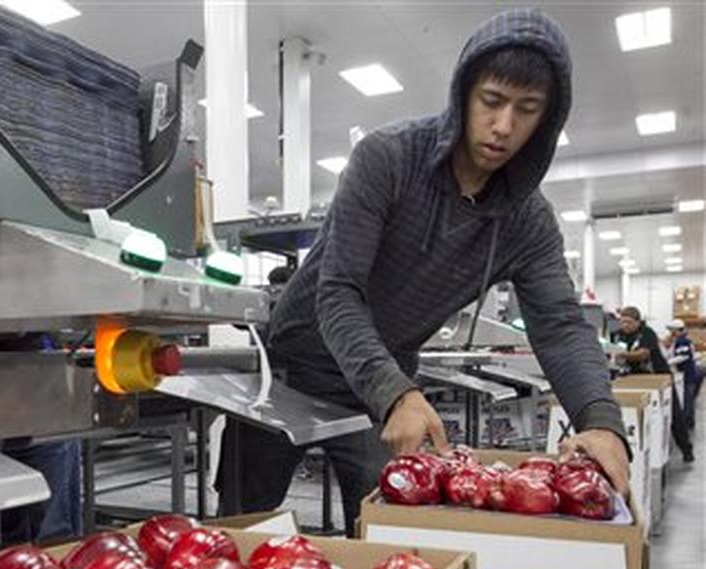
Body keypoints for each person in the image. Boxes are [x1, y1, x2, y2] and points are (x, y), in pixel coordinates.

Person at [216, 9, 630, 535]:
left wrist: (601, 420)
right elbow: (339, 292)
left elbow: (561, 326)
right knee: (241, 532)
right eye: (492, 101)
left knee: (388, 536)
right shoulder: (388, 159)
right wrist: (397, 392)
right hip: (290, 374)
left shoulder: (526, 220)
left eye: (527, 110)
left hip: (375, 392)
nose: (504, 126)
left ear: (546, 120)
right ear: (463, 94)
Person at [618, 307, 693, 462]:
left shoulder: (647, 333)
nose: (625, 325)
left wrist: (620, 354)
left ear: (638, 322)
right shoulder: (621, 335)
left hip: (659, 378)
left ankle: (686, 450)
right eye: (622, 321)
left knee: (674, 415)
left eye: (629, 322)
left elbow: (643, 354)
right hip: (636, 380)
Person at [666, 318, 700, 429]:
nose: (670, 333)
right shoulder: (681, 340)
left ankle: (687, 422)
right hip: (687, 373)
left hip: (687, 374)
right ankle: (688, 421)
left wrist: (667, 362)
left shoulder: (683, 341)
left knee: (687, 399)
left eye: (672, 330)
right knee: (687, 399)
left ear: (676, 330)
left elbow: (683, 356)